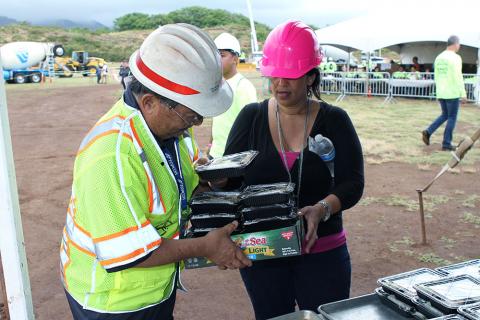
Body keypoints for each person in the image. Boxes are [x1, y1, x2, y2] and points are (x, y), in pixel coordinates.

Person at [60, 23, 251, 320]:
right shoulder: (110, 156)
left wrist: (214, 183)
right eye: (191, 115)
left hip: (156, 289)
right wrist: (206, 247)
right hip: (113, 303)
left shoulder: (173, 128)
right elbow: (132, 254)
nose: (196, 124)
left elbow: (187, 181)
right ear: (149, 102)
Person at [222, 20, 364, 319]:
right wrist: (213, 179)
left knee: (324, 316)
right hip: (263, 250)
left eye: (291, 76)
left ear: (311, 76)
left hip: (323, 250)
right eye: (275, 75)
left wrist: (323, 208)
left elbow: (352, 183)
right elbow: (230, 179)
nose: (280, 84)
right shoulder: (251, 117)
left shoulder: (335, 119)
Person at [208, 32, 257, 158]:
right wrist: (210, 145)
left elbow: (252, 126)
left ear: (235, 59)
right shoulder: (218, 85)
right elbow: (218, 120)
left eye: (222, 55)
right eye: (215, 55)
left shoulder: (243, 86)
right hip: (216, 154)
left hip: (233, 158)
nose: (217, 60)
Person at [422, 35, 467, 151]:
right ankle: (446, 143)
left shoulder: (439, 57)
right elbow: (458, 76)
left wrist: (438, 92)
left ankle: (428, 131)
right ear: (456, 44)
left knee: (445, 115)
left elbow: (437, 76)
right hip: (452, 92)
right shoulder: (456, 58)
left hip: (442, 92)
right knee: (452, 117)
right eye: (459, 44)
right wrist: (463, 93)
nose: (459, 46)